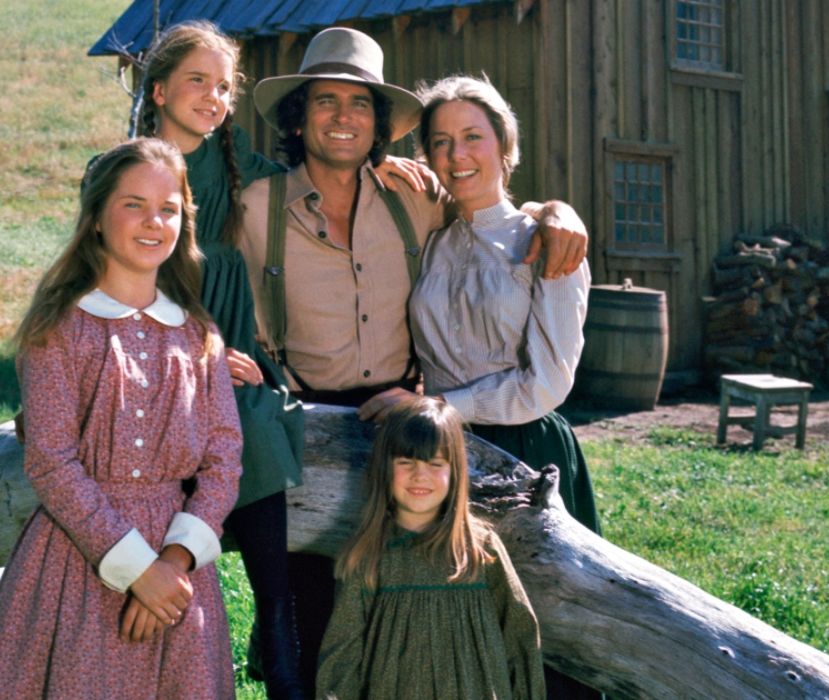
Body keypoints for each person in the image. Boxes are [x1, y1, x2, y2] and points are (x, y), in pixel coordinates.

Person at [237, 26, 588, 695]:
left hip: (455, 430)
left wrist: (557, 211)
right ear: (297, 115)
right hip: (331, 418)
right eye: (325, 101)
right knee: (344, 613)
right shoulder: (273, 210)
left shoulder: (451, 210)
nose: (342, 117)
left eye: (360, 104)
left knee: (513, 622)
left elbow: (497, 221)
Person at [130, 20, 428, 698]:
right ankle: (280, 645)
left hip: (252, 372)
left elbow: (325, 172)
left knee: (260, 409)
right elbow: (113, 281)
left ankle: (279, 639)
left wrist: (381, 165)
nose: (211, 96)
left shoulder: (246, 173)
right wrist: (195, 353)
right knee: (257, 415)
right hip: (168, 360)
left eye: (222, 86)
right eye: (196, 81)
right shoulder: (129, 174)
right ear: (159, 89)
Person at [0, 138, 241, 699]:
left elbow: (223, 459)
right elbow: (52, 462)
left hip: (178, 574)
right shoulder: (60, 330)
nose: (153, 221)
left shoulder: (198, 334)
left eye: (169, 208)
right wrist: (138, 570)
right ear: (96, 219)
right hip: (76, 561)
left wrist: (173, 566)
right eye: (133, 204)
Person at [368, 74, 600, 535]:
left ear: (505, 147)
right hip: (436, 447)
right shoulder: (430, 241)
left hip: (525, 447)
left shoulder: (546, 241)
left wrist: (441, 404)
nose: (458, 155)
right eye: (441, 142)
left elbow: (549, 383)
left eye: (473, 137)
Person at [315, 398, 545, 699]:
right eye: (406, 462)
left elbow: (520, 634)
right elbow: (342, 652)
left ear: (456, 471)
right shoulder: (368, 557)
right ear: (385, 467)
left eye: (435, 463)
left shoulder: (480, 550)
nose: (419, 475)